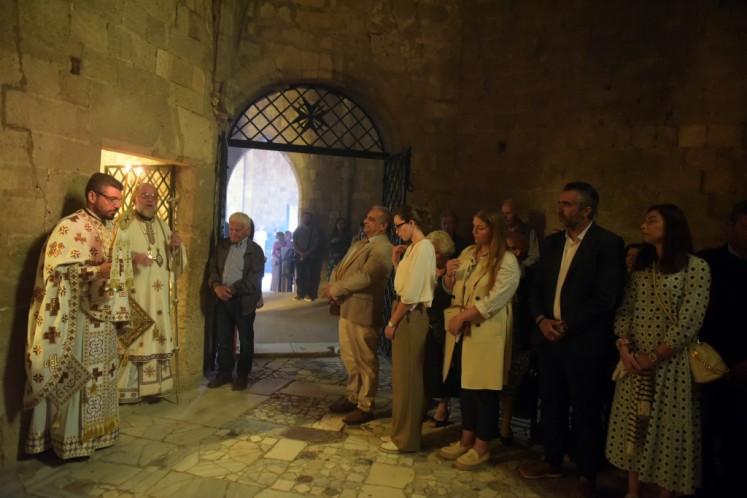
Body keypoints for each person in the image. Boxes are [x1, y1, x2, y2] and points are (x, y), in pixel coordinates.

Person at [521, 181, 625, 498]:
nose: (560, 208)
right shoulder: (553, 243)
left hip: (583, 342)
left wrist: (567, 324)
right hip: (549, 338)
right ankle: (552, 458)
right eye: (560, 203)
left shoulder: (607, 244)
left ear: (586, 210)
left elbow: (605, 297)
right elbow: (536, 289)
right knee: (551, 403)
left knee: (585, 410)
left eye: (566, 204)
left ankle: (586, 474)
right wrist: (541, 321)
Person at [606, 204, 711, 498]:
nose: (644, 225)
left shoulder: (695, 267)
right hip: (634, 362)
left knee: (668, 431)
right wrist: (625, 347)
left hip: (671, 366)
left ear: (671, 226)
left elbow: (689, 320)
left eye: (651, 220)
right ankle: (633, 491)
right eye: (644, 220)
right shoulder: (643, 266)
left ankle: (666, 493)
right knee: (634, 427)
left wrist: (654, 356)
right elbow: (626, 309)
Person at [24, 172, 131, 459]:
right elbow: (55, 272)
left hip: (105, 316)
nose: (116, 205)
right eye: (111, 199)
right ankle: (71, 440)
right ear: (92, 196)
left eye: (119, 200)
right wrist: (97, 270)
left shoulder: (112, 228)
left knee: (103, 376)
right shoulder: (69, 227)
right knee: (80, 378)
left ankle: (99, 434)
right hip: (77, 319)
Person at [436, 209, 520, 470]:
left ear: (494, 230)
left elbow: (495, 300)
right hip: (464, 330)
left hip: (486, 330)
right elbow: (452, 288)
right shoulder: (468, 253)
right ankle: (466, 439)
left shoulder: (506, 260)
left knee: (484, 390)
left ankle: (482, 446)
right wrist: (448, 275)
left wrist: (463, 317)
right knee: (466, 386)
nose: (474, 231)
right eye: (473, 226)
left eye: (480, 227)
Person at [116, 183, 187, 404]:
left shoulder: (163, 226)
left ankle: (155, 388)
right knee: (136, 337)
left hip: (159, 297)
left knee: (158, 336)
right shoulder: (124, 222)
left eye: (154, 196)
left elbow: (176, 263)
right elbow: (112, 253)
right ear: (134, 198)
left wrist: (177, 247)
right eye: (145, 195)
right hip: (135, 295)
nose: (150, 200)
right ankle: (129, 391)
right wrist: (133, 257)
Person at [323, 207, 393, 425]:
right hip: (347, 307)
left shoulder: (384, 248)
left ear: (383, 226)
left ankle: (366, 404)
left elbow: (367, 276)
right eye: (366, 218)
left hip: (363, 310)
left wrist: (336, 289)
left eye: (371, 219)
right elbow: (340, 267)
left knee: (365, 359)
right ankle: (353, 395)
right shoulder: (360, 243)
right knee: (349, 356)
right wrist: (333, 286)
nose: (365, 221)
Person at [697, 199, 747, 497]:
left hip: (744, 365)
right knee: (703, 428)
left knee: (740, 432)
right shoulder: (706, 263)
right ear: (730, 226)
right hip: (707, 361)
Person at [380, 205, 436, 454]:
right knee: (402, 379)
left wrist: (392, 321)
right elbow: (403, 283)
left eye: (399, 225)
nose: (397, 231)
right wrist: (396, 261)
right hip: (404, 310)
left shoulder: (424, 247)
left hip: (410, 315)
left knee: (409, 380)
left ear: (412, 223)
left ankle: (407, 439)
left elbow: (412, 294)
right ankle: (399, 433)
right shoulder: (413, 248)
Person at [207, 212, 264, 391]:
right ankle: (224, 373)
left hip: (243, 301)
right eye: (231, 229)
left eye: (237, 230)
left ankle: (242, 375)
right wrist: (217, 286)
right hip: (222, 299)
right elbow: (213, 268)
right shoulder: (222, 246)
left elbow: (253, 279)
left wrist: (232, 289)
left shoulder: (255, 251)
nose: (233, 233)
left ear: (247, 231)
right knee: (223, 339)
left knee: (246, 341)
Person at [500, 229, 535, 445]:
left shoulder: (530, 277)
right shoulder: (496, 273)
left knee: (510, 385)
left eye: (507, 248)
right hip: (498, 335)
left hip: (518, 338)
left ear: (518, 251)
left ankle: (505, 427)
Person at [422, 230, 457, 427]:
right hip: (427, 324)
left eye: (435, 252)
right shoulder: (427, 269)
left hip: (444, 326)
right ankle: (425, 402)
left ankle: (443, 408)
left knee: (445, 368)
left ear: (444, 253)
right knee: (427, 366)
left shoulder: (452, 271)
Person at [502, 198, 540, 268]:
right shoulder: (500, 232)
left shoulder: (529, 232)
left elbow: (534, 256)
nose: (505, 216)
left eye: (508, 213)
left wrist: (519, 267)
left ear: (516, 214)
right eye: (503, 213)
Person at [293, 211, 321, 301]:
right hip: (299, 256)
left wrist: (307, 253)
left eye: (308, 217)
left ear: (311, 219)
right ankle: (299, 293)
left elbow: (316, 244)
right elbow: (294, 242)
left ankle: (308, 294)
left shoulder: (314, 230)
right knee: (299, 276)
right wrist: (299, 252)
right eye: (305, 217)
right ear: (302, 218)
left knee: (309, 275)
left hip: (310, 256)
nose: (306, 219)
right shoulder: (298, 230)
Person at [326, 217, 352, 281]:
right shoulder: (332, 234)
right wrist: (331, 242)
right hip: (333, 258)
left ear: (345, 225)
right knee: (331, 276)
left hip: (343, 257)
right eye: (339, 223)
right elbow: (327, 246)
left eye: (342, 223)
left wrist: (340, 253)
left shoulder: (348, 235)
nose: (340, 225)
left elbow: (349, 246)